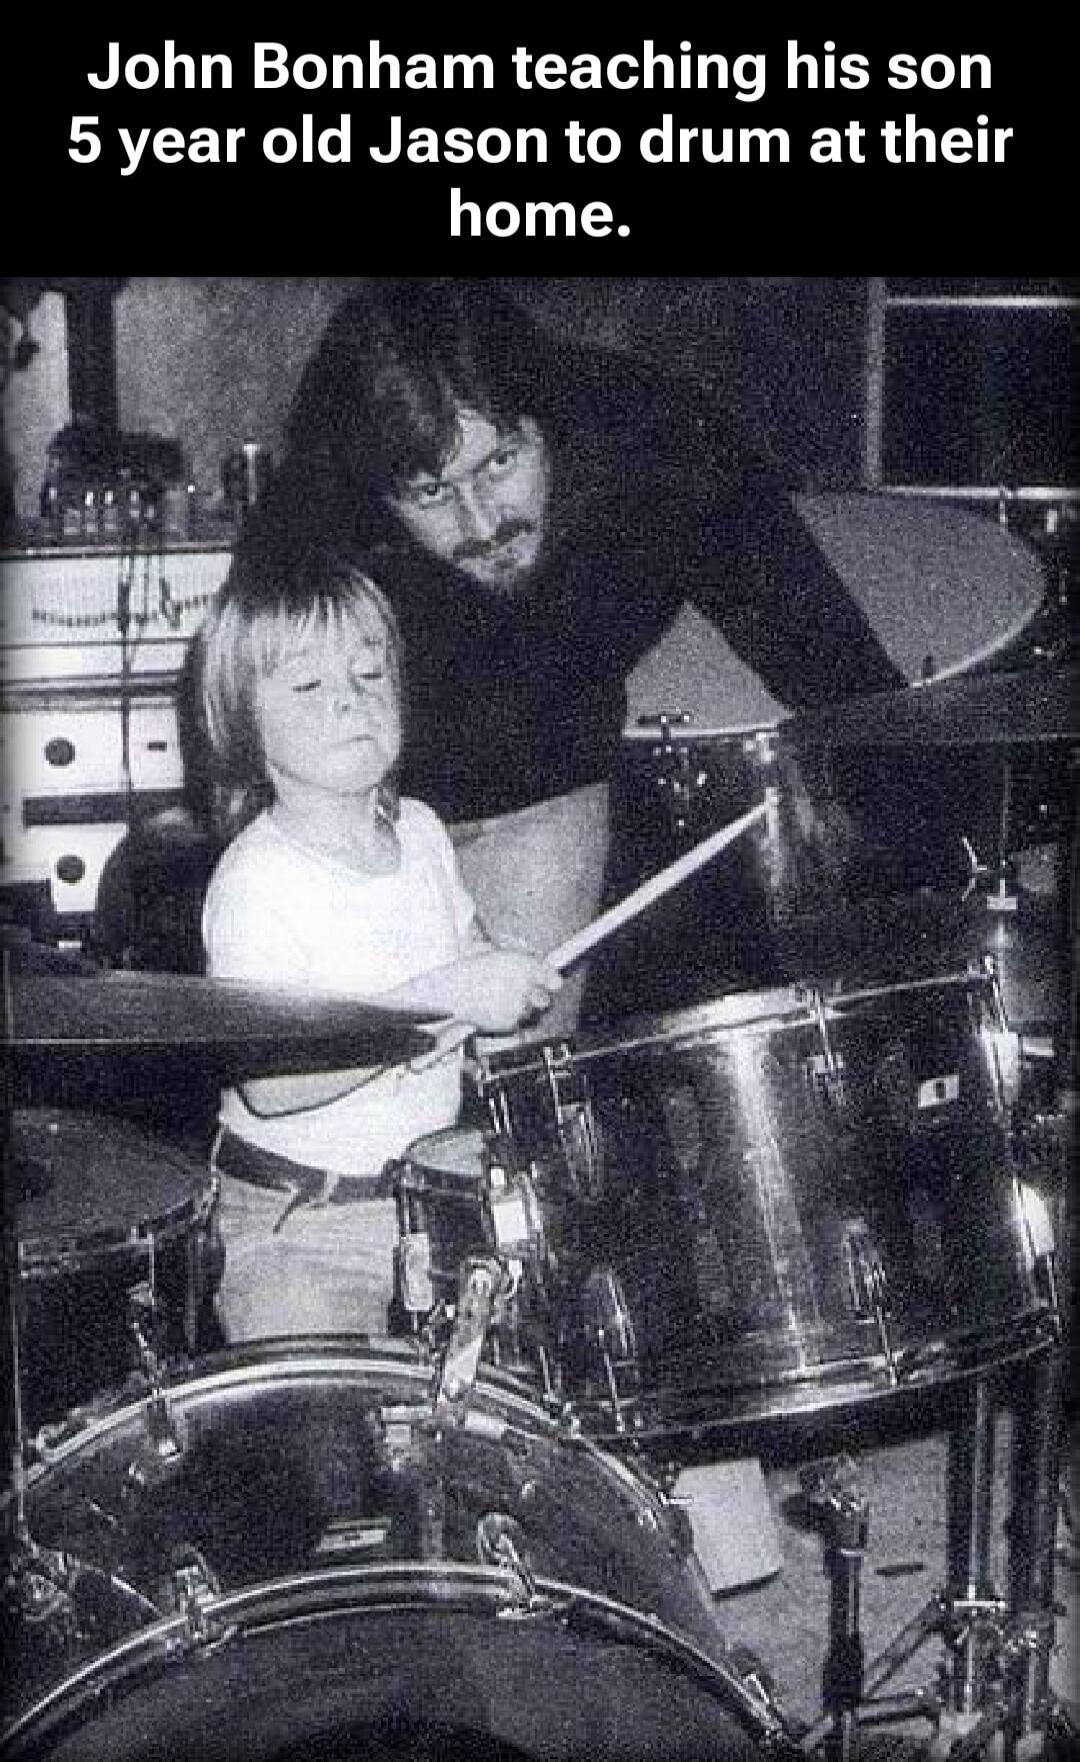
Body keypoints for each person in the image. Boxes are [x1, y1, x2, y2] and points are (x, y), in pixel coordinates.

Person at [246, 278, 912, 1029]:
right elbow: (250, 720)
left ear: (550, 424)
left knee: (512, 1085)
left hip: (540, 790)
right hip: (362, 810)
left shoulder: (661, 440)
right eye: (432, 495)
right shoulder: (320, 501)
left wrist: (892, 812)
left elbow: (830, 658)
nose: (482, 521)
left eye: (500, 465)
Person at [198, 544, 562, 1341]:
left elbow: (463, 948)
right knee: (333, 1444)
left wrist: (504, 976)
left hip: (427, 1208)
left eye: (369, 675)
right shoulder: (258, 882)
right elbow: (273, 1082)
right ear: (242, 723)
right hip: (299, 1224)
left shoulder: (423, 832)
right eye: (309, 685)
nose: (350, 703)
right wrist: (445, 999)